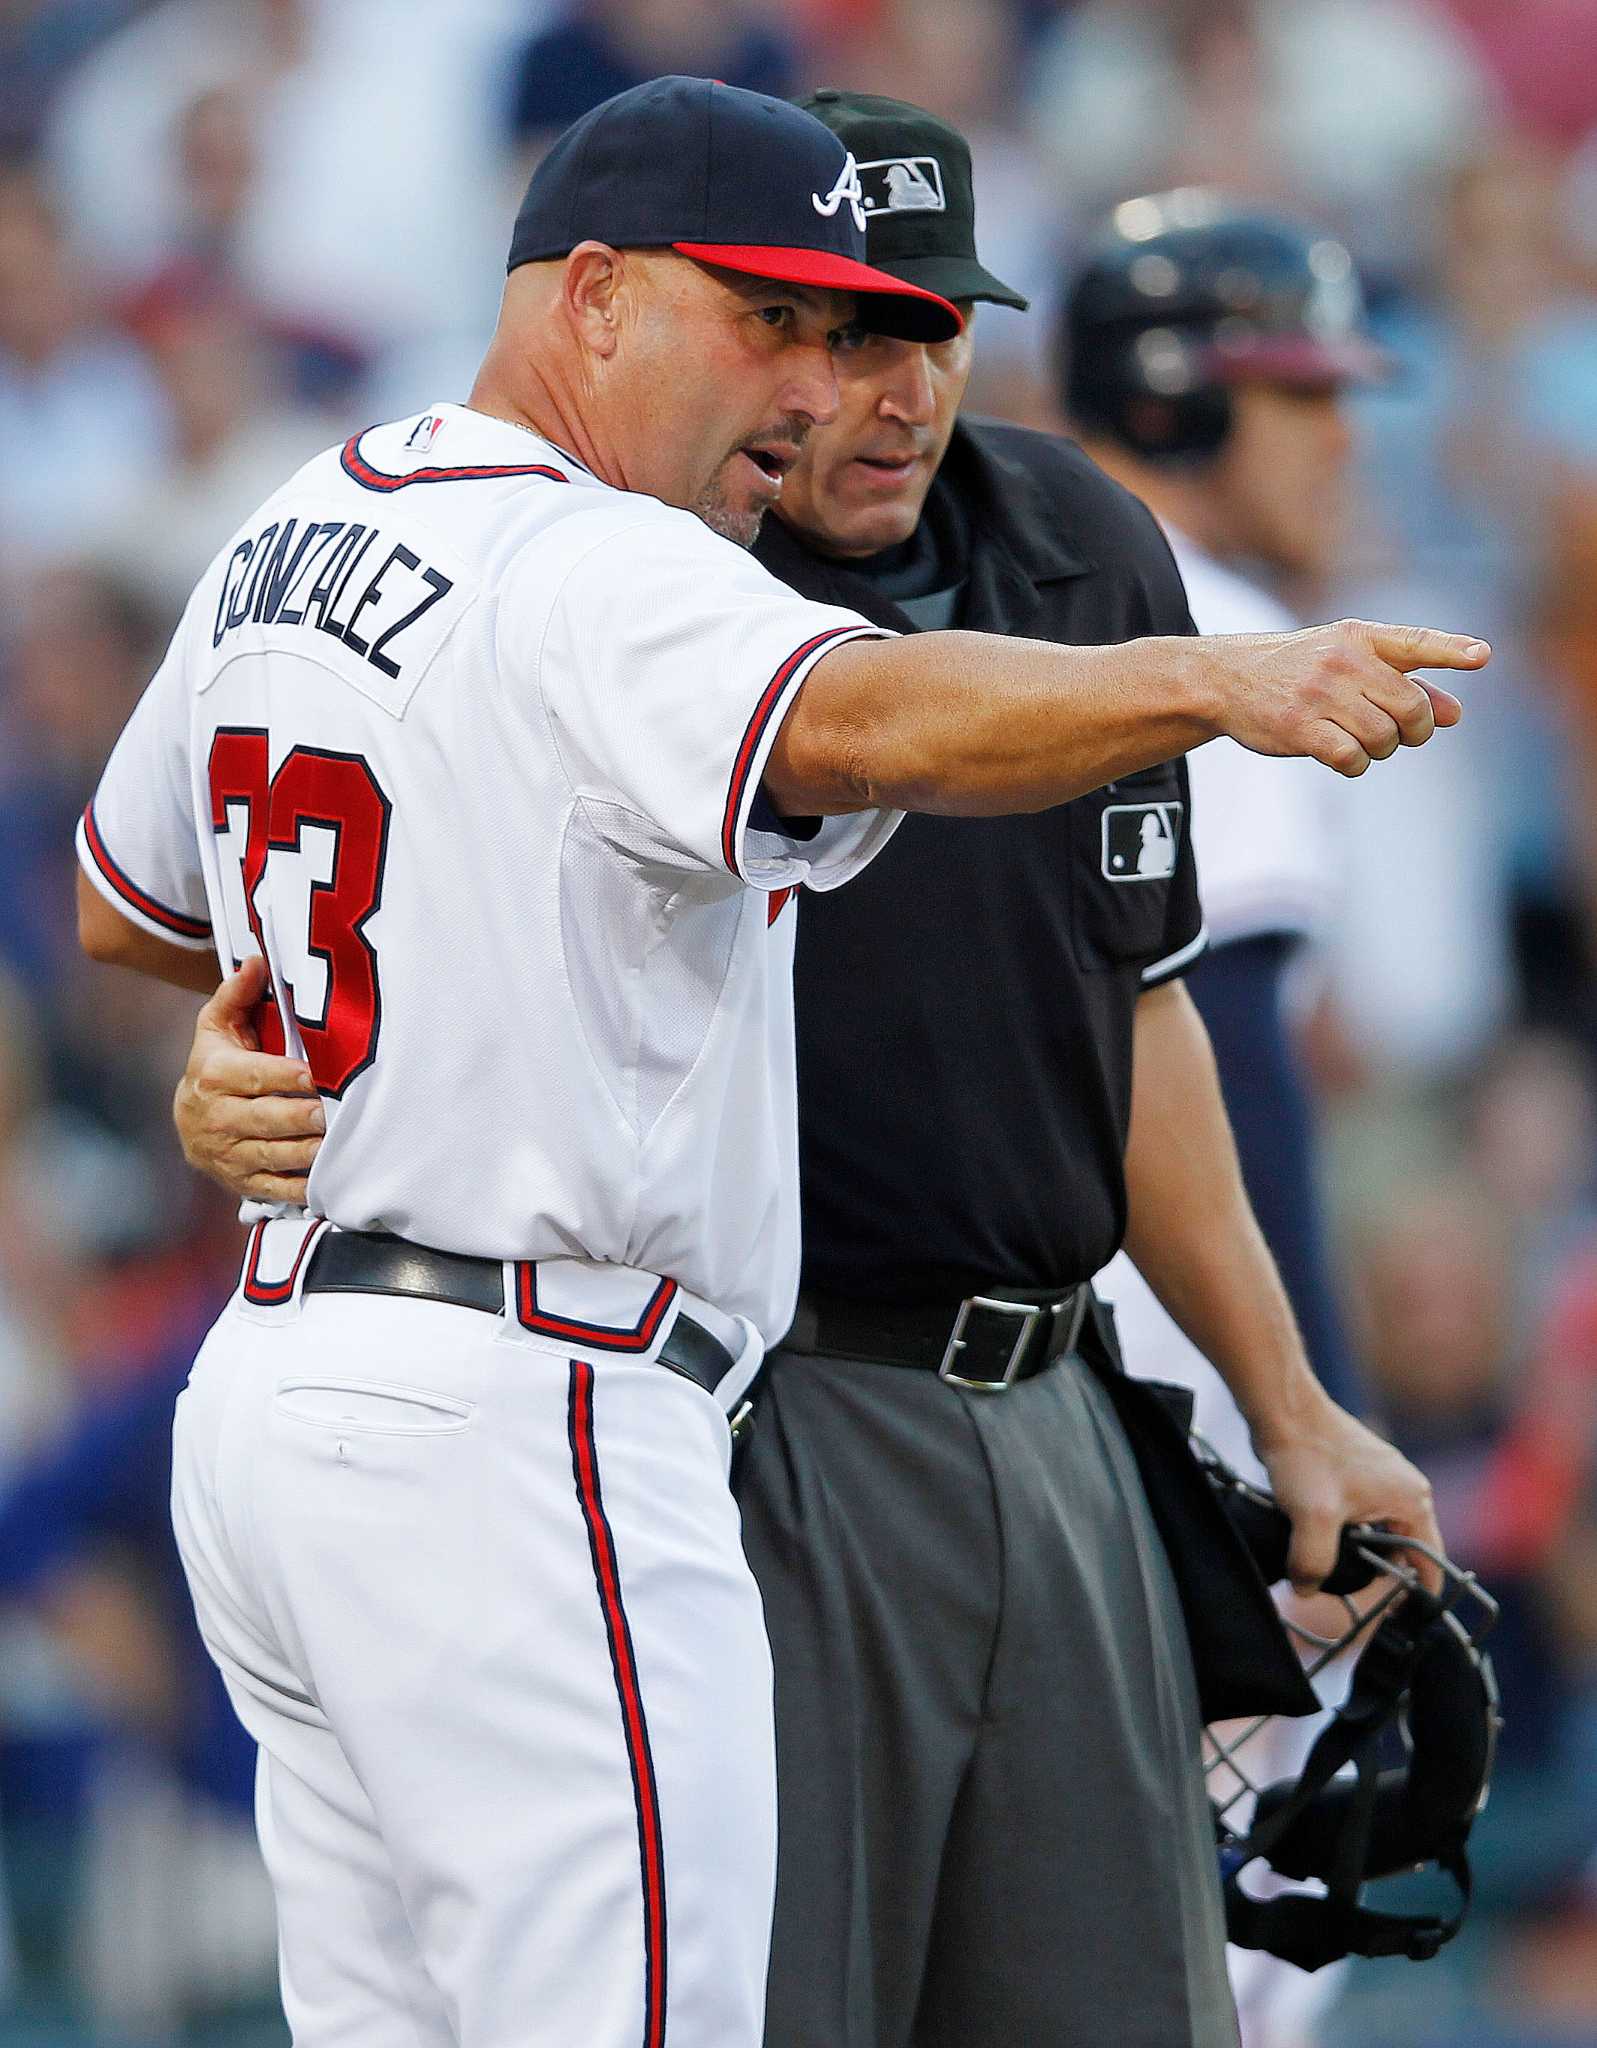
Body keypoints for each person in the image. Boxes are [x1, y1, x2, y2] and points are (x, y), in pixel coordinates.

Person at [147, 87, 1486, 2046]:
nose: (869, 385)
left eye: (912, 324)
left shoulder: (1064, 539)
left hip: (1035, 1389)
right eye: (812, 329)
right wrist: (224, 1052)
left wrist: (1291, 1404)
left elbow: (1140, 1010)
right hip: (736, 1416)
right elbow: (868, 727)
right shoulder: (645, 555)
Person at [1062, 188, 1382, 2048]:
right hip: (1183, 1439)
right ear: (1178, 398)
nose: (1342, 434)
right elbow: (1226, 1080)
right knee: (1225, 1981)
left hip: (971, 1411)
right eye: (1299, 392)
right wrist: (1312, 1438)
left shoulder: (1017, 599)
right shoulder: (1221, 631)